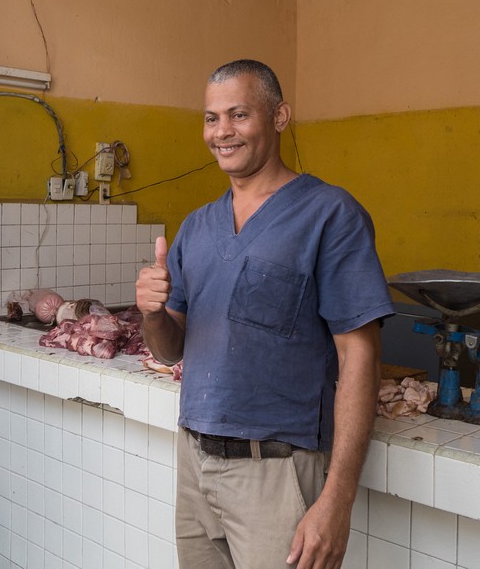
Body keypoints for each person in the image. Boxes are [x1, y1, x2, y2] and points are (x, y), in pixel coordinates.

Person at [135, 59, 395, 569]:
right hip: (195, 462)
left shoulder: (329, 215)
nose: (222, 132)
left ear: (279, 117)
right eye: (211, 118)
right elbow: (170, 349)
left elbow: (359, 356)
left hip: (275, 474)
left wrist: (337, 501)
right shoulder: (197, 226)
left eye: (239, 114)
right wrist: (152, 312)